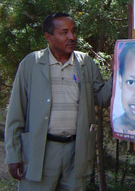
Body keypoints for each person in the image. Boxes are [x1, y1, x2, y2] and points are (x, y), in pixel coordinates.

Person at [5, 12, 113, 190]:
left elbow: (101, 99)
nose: (72, 37)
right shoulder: (31, 64)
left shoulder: (85, 63)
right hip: (41, 151)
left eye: (73, 31)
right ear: (49, 37)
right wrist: (13, 155)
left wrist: (116, 74)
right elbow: (16, 113)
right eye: (64, 32)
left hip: (76, 151)